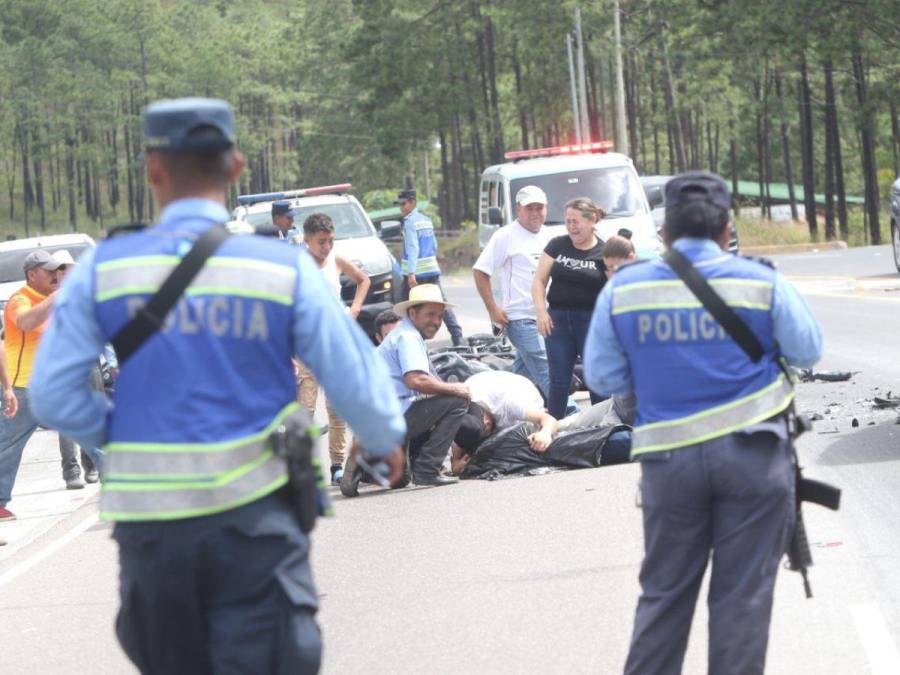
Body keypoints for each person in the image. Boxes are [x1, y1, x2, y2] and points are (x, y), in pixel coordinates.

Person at [29, 97, 406, 674]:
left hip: (154, 528)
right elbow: (356, 383)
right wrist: (382, 441)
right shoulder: (280, 269)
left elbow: (54, 395)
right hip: (258, 520)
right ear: (234, 166)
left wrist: (126, 436)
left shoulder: (105, 269)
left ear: (153, 167)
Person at [584, 171, 823, 674]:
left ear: (664, 233)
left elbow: (604, 375)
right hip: (754, 463)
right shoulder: (760, 281)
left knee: (664, 598)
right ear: (726, 229)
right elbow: (808, 350)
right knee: (741, 602)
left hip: (669, 467)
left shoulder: (624, 291)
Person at [344, 283, 467, 493]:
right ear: (412, 312)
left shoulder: (402, 334)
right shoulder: (408, 338)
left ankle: (364, 465)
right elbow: (416, 381)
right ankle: (428, 469)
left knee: (399, 479)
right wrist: (456, 389)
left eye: (440, 316)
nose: (436, 322)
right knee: (457, 402)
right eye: (430, 315)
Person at [296, 212, 370, 484]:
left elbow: (364, 280)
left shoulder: (336, 260)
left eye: (330, 241)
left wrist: (355, 309)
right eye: (321, 242)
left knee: (336, 409)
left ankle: (337, 467)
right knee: (305, 409)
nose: (326, 247)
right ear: (306, 241)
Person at [0, 249, 63, 520]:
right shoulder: (19, 301)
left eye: (56, 270)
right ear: (32, 274)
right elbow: (38, 326)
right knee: (9, 445)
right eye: (48, 270)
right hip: (24, 387)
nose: (54, 275)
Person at [473, 185, 552, 398]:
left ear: (546, 208)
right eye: (529, 208)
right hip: (520, 319)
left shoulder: (550, 236)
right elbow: (480, 271)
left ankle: (510, 409)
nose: (535, 213)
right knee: (548, 371)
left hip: (545, 319)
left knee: (523, 377)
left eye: (539, 207)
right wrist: (492, 309)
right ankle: (574, 416)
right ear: (519, 209)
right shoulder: (505, 235)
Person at [532, 197, 607, 419]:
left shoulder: (604, 251)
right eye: (567, 222)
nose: (571, 227)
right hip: (558, 320)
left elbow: (615, 288)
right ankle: (552, 428)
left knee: (596, 378)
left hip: (591, 321)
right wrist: (541, 311)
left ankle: (602, 427)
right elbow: (539, 281)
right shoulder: (557, 245)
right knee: (559, 379)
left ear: (592, 220)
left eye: (576, 222)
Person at [396, 189, 464, 346]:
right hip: (431, 270)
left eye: (404, 204)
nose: (402, 207)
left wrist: (411, 272)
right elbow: (433, 245)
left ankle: (405, 341)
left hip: (416, 274)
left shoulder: (409, 222)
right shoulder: (426, 220)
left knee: (404, 305)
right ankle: (457, 337)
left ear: (413, 202)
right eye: (400, 204)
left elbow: (413, 248)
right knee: (441, 304)